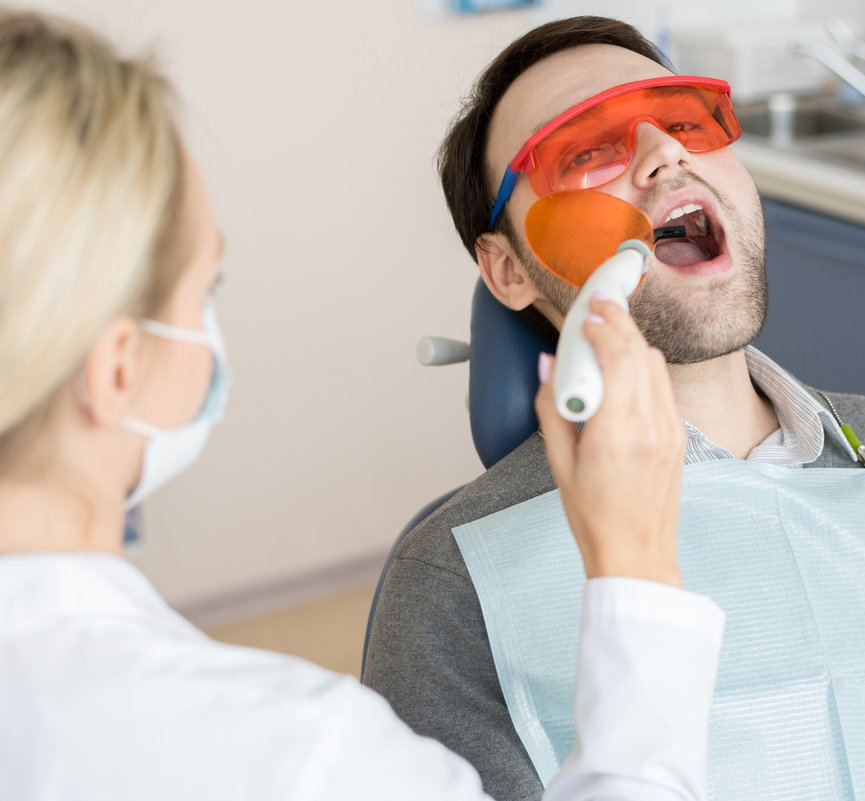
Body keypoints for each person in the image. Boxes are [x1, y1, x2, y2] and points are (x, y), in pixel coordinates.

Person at [362, 15, 865, 801]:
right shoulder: (454, 581)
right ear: (508, 270)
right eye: (587, 147)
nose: (667, 153)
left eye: (685, 118)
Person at [0, 9, 727, 800]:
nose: (669, 154)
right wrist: (638, 573)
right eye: (203, 290)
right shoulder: (288, 753)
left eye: (684, 119)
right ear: (114, 370)